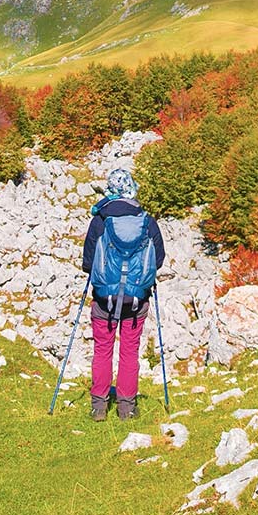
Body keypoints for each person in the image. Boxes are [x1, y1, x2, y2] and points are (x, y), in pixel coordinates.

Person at [80, 167, 165, 420]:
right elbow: (158, 260)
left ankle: (99, 407)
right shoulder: (147, 221)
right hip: (137, 299)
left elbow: (88, 262)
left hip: (104, 299)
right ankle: (127, 408)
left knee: (102, 349)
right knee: (130, 351)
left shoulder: (100, 221)